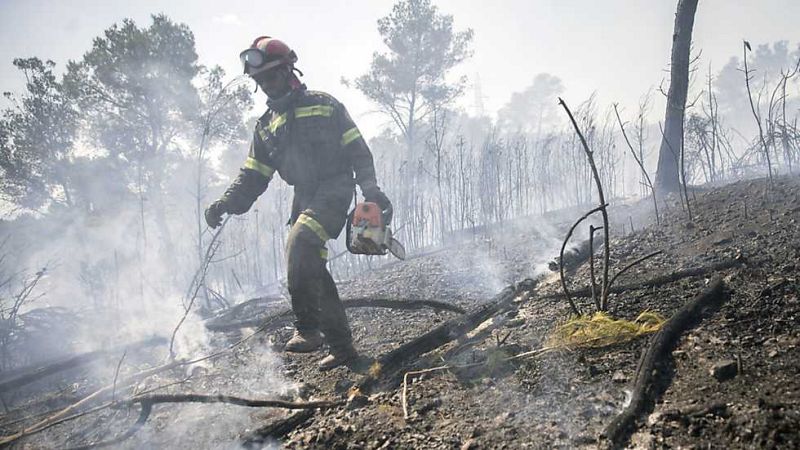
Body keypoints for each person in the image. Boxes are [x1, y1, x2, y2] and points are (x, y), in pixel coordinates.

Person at [204, 36, 392, 371]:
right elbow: (253, 175)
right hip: (304, 196)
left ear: (289, 71)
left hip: (335, 187)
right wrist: (225, 203)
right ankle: (344, 350)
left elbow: (357, 150)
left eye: (271, 77)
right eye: (260, 80)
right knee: (312, 268)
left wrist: (370, 189)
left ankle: (308, 329)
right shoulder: (265, 127)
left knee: (301, 242)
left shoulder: (324, 104)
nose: (266, 86)